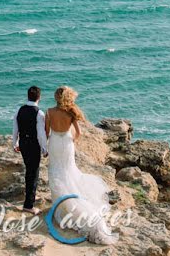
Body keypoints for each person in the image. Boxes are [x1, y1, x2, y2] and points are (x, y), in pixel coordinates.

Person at [45, 86, 118, 244]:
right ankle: (73, 201)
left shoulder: (49, 111)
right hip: (66, 142)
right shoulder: (71, 112)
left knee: (55, 172)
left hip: (54, 143)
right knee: (69, 171)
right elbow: (78, 133)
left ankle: (60, 208)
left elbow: (45, 132)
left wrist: (45, 146)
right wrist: (71, 140)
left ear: (56, 97)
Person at [12, 85, 48, 214]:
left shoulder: (19, 110)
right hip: (33, 144)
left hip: (23, 143)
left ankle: (30, 196)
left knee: (29, 170)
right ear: (39, 97)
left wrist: (15, 143)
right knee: (33, 173)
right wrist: (45, 148)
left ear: (28, 96)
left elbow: (15, 129)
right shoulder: (39, 113)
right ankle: (28, 205)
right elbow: (41, 134)